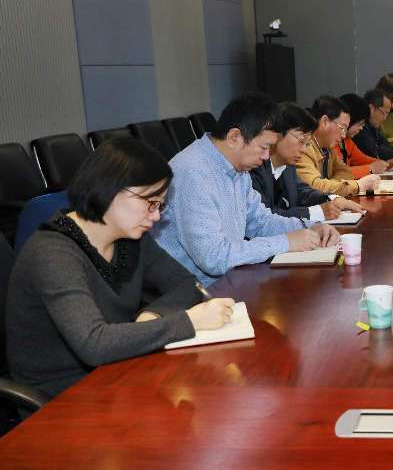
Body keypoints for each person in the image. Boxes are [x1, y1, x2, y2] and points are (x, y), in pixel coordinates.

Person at [5, 138, 236, 399]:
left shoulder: (130, 238)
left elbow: (186, 283)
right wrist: (189, 321)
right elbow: (94, 344)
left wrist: (153, 316)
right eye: (150, 202)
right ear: (110, 190)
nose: (156, 216)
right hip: (63, 394)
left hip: (118, 368)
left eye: (160, 205)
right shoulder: (52, 252)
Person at [153, 93, 339, 287]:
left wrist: (310, 227)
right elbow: (214, 258)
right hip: (197, 293)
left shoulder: (237, 168)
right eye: (264, 147)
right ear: (234, 137)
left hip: (232, 279)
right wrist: (286, 242)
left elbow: (260, 221)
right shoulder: (193, 173)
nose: (267, 157)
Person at [251, 101, 363, 220]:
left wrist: (333, 199)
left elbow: (302, 192)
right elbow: (264, 218)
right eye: (301, 141)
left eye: (307, 144)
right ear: (277, 135)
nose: (304, 150)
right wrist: (318, 212)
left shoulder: (288, 166)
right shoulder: (254, 168)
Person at [295, 96, 382, 196]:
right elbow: (313, 187)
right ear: (324, 122)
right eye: (342, 128)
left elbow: (345, 172)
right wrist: (358, 186)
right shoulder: (303, 147)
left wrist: (330, 185)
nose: (344, 135)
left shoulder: (327, 147)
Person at [337, 93, 393, 178]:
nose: (361, 128)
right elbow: (338, 174)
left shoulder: (347, 141)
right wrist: (370, 169)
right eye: (359, 124)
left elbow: (363, 159)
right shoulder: (332, 142)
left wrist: (385, 164)